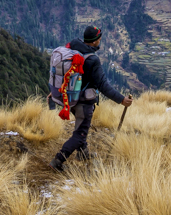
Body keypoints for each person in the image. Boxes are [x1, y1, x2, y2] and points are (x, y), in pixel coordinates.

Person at [50, 25, 132, 172]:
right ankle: (58, 160)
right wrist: (121, 100)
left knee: (81, 126)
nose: (100, 40)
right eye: (99, 38)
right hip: (84, 102)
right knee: (80, 134)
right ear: (94, 41)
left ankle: (83, 153)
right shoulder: (92, 59)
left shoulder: (73, 47)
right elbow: (103, 85)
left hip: (70, 98)